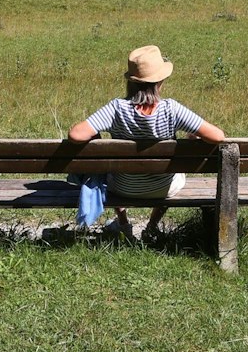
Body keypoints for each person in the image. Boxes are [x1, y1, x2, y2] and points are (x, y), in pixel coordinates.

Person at [68, 44, 226, 239]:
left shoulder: (116, 109)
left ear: (131, 82)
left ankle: (123, 223)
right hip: (164, 188)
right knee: (176, 168)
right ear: (159, 82)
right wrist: (192, 137)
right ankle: (152, 225)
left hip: (123, 187)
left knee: (111, 170)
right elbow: (218, 136)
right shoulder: (172, 109)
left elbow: (76, 135)